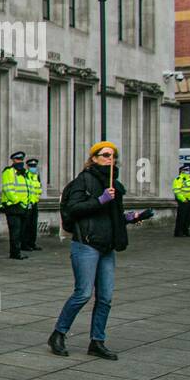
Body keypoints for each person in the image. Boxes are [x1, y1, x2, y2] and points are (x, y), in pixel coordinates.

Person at [48, 141, 147, 360]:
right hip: (86, 244)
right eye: (104, 155)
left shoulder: (114, 185)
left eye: (113, 156)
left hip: (106, 246)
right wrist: (100, 199)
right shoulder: (83, 180)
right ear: (93, 158)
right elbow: (73, 209)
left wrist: (130, 218)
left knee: (105, 297)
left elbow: (111, 218)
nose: (109, 159)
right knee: (83, 293)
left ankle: (97, 341)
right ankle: (58, 334)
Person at [0, 151, 34, 259]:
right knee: (15, 231)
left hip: (23, 206)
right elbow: (8, 188)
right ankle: (15, 253)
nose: (20, 162)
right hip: (13, 206)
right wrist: (17, 201)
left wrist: (29, 202)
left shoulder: (24, 173)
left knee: (20, 231)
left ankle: (17, 251)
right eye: (18, 159)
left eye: (21, 160)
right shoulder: (9, 172)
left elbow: (29, 189)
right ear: (13, 160)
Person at [22, 157, 44, 251]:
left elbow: (38, 189)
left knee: (33, 225)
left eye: (34, 166)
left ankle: (32, 243)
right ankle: (25, 244)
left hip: (34, 203)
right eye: (31, 166)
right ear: (27, 166)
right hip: (27, 203)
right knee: (26, 225)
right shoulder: (24, 175)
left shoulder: (36, 176)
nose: (33, 167)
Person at [173, 164, 190, 237]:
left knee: (188, 218)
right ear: (182, 171)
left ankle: (186, 231)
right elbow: (177, 191)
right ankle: (178, 232)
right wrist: (183, 199)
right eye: (186, 170)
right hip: (184, 201)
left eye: (188, 170)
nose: (188, 171)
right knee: (181, 217)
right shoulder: (179, 179)